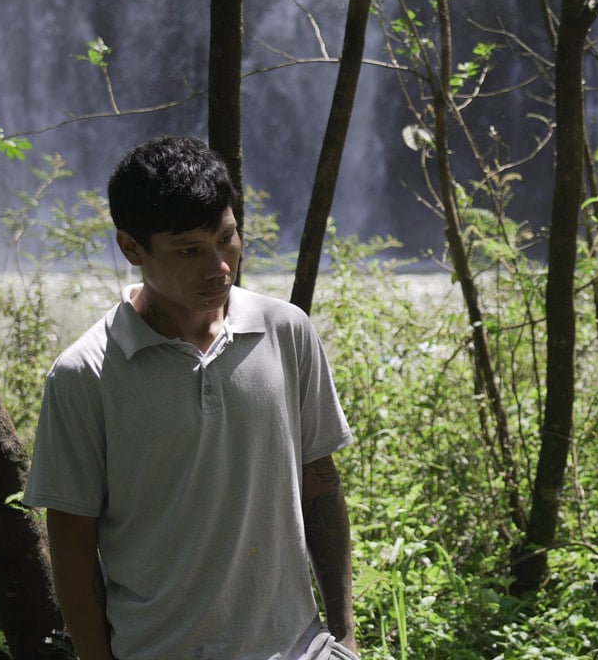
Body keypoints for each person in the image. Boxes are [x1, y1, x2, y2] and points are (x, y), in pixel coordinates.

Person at [22, 136, 359, 659]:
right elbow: (71, 542)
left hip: (300, 648)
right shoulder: (84, 374)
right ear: (131, 248)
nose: (219, 267)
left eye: (226, 239)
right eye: (189, 251)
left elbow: (319, 484)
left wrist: (345, 638)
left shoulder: (286, 331)